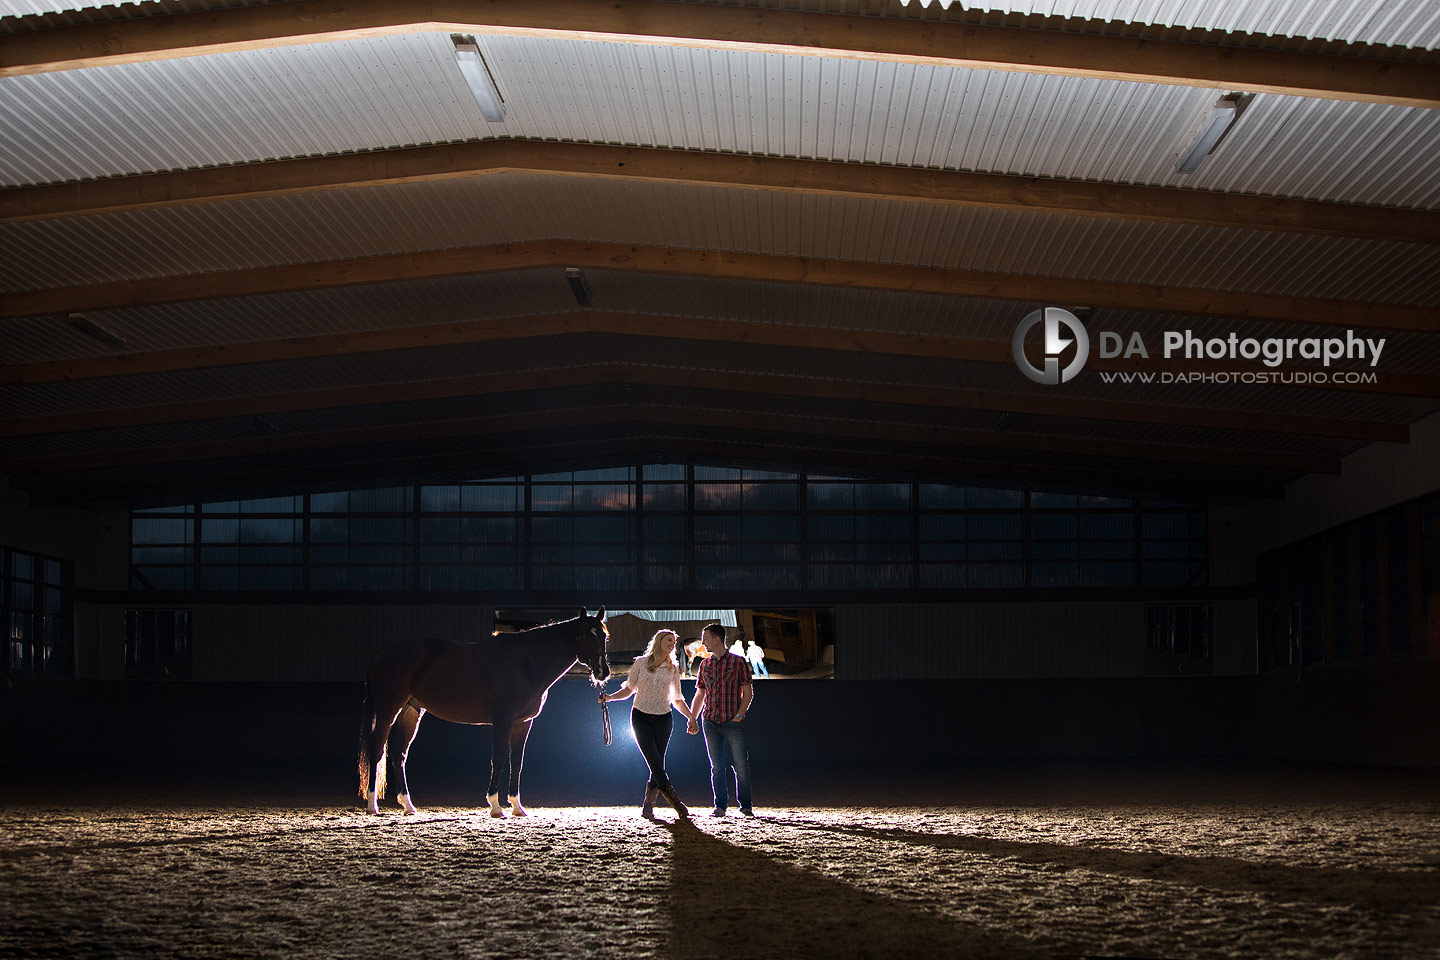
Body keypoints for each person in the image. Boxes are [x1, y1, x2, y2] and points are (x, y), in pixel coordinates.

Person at [600, 629, 694, 819]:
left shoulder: (672, 669)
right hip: (640, 717)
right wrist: (609, 698)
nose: (672, 644)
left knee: (657, 763)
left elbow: (676, 699)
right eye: (669, 640)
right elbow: (628, 690)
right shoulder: (641, 663)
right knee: (655, 762)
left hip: (663, 718)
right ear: (659, 641)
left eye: (674, 642)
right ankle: (677, 804)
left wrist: (690, 717)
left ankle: (647, 806)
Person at [686, 622, 754, 817]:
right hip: (710, 722)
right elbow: (700, 695)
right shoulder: (705, 665)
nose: (703, 642)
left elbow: (748, 692)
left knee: (740, 765)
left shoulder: (738, 662)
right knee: (717, 767)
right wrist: (693, 718)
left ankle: (746, 806)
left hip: (732, 722)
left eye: (705, 638)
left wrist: (739, 715)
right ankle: (720, 806)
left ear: (717, 639)